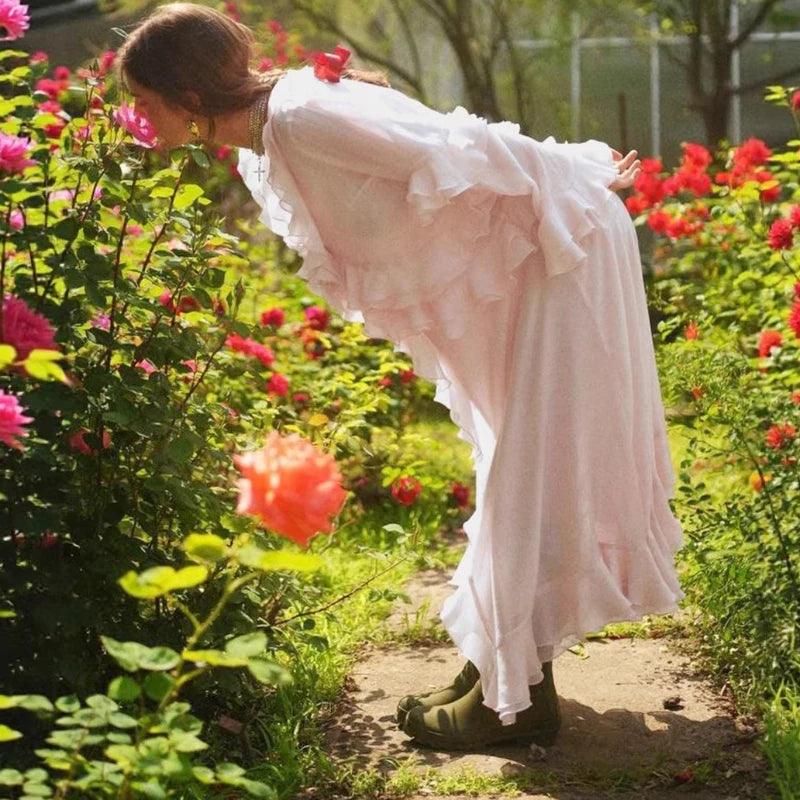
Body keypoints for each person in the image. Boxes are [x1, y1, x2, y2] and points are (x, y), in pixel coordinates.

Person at [117, 2, 685, 751]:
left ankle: (515, 704)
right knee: (511, 461)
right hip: (521, 269)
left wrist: (575, 171)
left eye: (144, 100)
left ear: (188, 97)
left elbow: (452, 143)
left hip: (554, 250)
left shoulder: (300, 117)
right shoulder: (267, 140)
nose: (137, 117)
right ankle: (499, 669)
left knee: (530, 467)